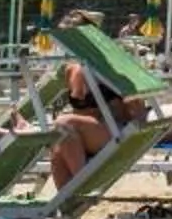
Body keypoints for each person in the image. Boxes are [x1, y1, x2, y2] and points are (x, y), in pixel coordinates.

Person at [47, 58, 145, 188]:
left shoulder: (115, 71)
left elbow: (138, 114)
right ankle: (65, 202)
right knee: (58, 147)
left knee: (63, 123)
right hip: (82, 135)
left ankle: (84, 185)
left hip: (114, 131)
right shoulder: (72, 70)